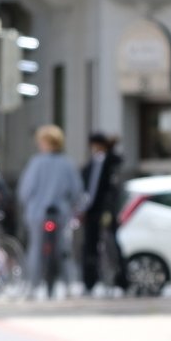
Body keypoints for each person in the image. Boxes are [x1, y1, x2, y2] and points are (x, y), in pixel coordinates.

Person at [17, 124, 84, 298]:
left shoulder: (36, 163)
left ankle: (32, 286)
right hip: (61, 213)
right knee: (63, 249)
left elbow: (25, 190)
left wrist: (27, 203)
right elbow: (76, 191)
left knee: (36, 249)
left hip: (37, 213)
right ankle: (70, 284)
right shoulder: (67, 164)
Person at [80, 131, 124, 294]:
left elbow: (112, 189)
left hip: (106, 210)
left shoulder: (112, 162)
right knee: (90, 246)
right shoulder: (93, 163)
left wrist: (108, 209)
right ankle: (90, 281)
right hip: (91, 211)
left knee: (112, 244)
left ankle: (120, 279)